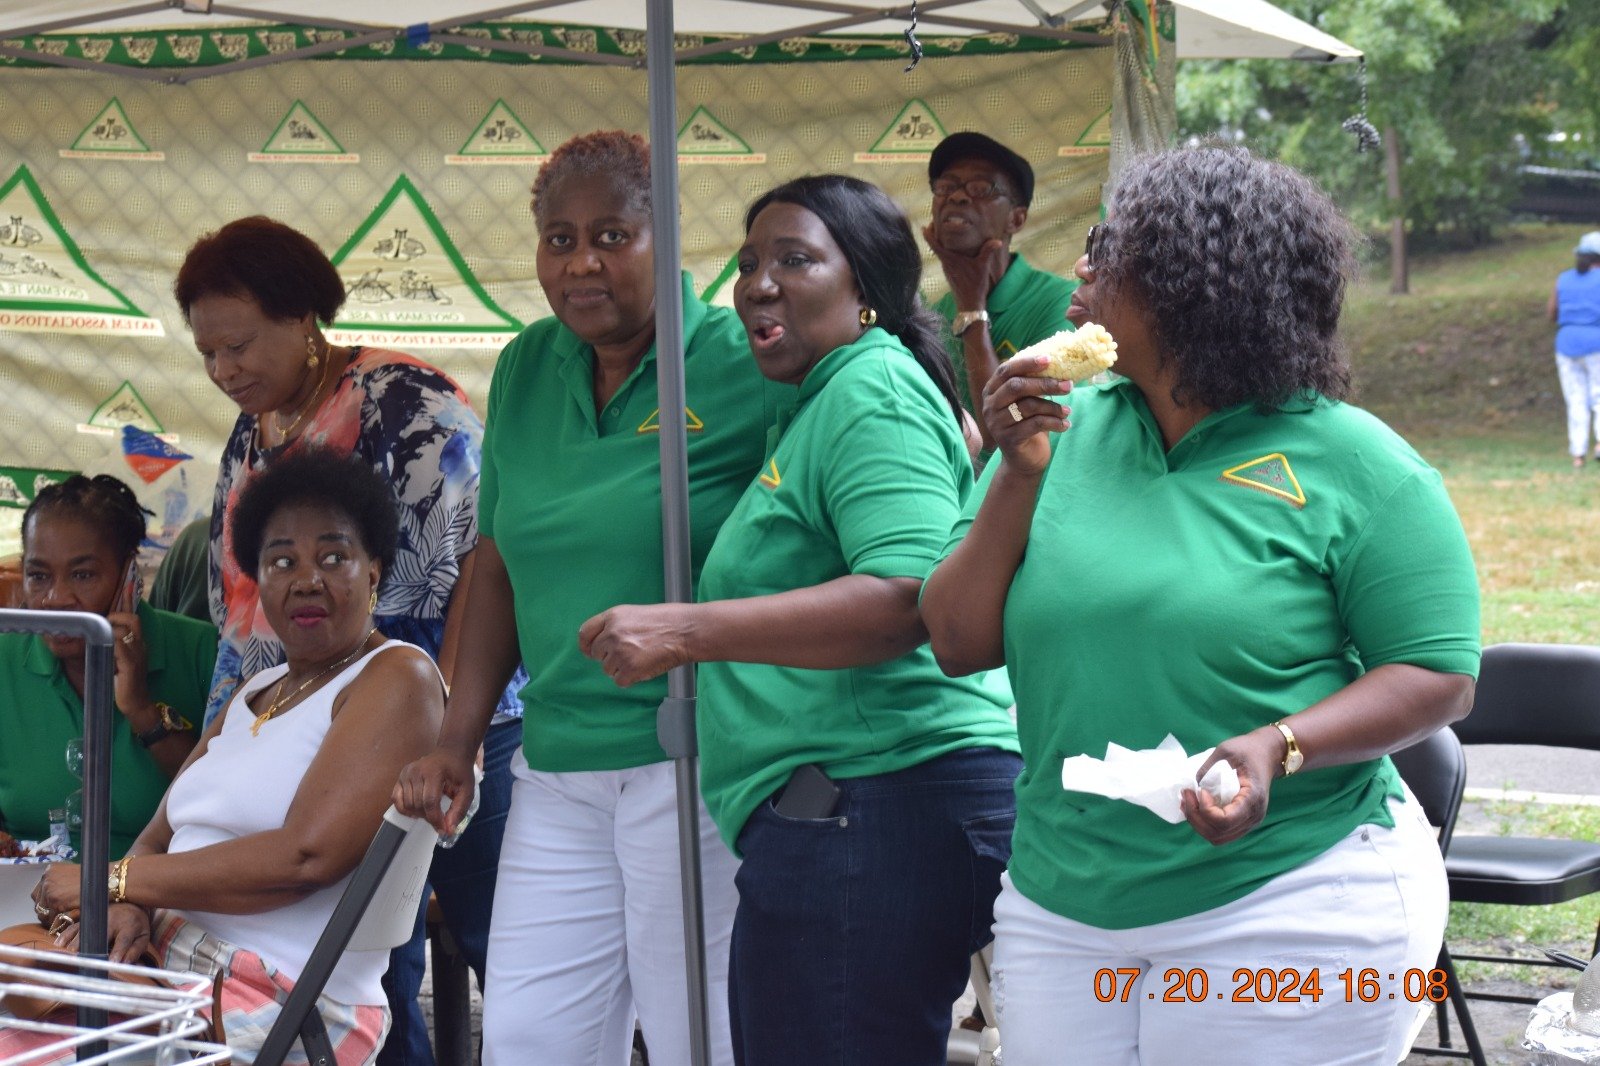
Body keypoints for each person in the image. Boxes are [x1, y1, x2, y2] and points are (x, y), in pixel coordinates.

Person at [921, 145, 1482, 1066]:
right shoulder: (1060, 429)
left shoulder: (1358, 462)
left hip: (1292, 898)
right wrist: (1016, 473)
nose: (1082, 265)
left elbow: (1438, 674)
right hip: (1065, 902)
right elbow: (955, 640)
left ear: (1194, 285)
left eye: (1111, 246)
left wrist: (1279, 745)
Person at [577, 174, 1020, 1066]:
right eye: (747, 264)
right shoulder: (831, 396)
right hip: (862, 810)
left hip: (878, 802)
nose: (758, 285)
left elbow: (903, 598)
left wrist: (686, 631)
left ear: (867, 289)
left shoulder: (873, 392)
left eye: (794, 260)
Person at [394, 131, 789, 1066]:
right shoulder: (528, 365)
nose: (581, 264)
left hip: (697, 757)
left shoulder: (742, 358)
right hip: (558, 762)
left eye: (612, 236)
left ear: (667, 237)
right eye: (560, 240)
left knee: (699, 1037)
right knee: (530, 1038)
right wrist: (457, 739)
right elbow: (497, 563)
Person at [173, 216, 519, 1066]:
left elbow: (478, 564)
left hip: (451, 733)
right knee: (364, 979)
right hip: (309, 738)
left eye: (239, 346)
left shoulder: (405, 403)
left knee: (504, 968)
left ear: (302, 317)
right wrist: (223, 746)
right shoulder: (254, 431)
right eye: (208, 354)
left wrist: (446, 736)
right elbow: (243, 623)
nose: (224, 372)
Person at [13, 448, 444, 1066]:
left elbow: (304, 857)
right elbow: (157, 835)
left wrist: (110, 881)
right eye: (281, 561)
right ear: (257, 581)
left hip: (275, 996)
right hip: (163, 960)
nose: (306, 579)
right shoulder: (254, 690)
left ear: (373, 568)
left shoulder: (397, 676)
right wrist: (129, 906)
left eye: (333, 557)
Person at [0, 474, 215, 858]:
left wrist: (141, 709)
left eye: (82, 575)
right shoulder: (5, 657)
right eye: (38, 576)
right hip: (26, 885)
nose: (56, 598)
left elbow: (220, 802)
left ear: (129, 574)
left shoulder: (202, 651)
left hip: (158, 885)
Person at [925, 131, 1078, 451]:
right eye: (946, 187)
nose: (957, 197)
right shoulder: (934, 314)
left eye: (981, 188)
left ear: (1016, 219)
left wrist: (972, 313)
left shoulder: (1061, 302)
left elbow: (1013, 439)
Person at [1548, 230, 1600, 468]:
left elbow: (1552, 313)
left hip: (1566, 344)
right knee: (1598, 396)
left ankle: (1578, 455)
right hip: (1596, 343)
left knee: (1575, 399)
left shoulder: (1564, 279)